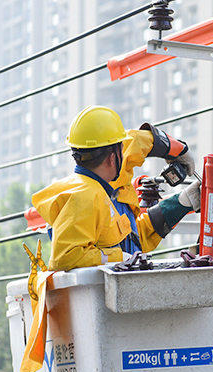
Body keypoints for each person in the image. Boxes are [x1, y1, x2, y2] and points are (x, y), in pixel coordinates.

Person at [32, 105, 200, 271]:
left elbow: (131, 239)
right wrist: (119, 258)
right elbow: (65, 257)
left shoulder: (100, 190)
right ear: (112, 158)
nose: (125, 151)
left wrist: (181, 203)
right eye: (121, 147)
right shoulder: (85, 197)